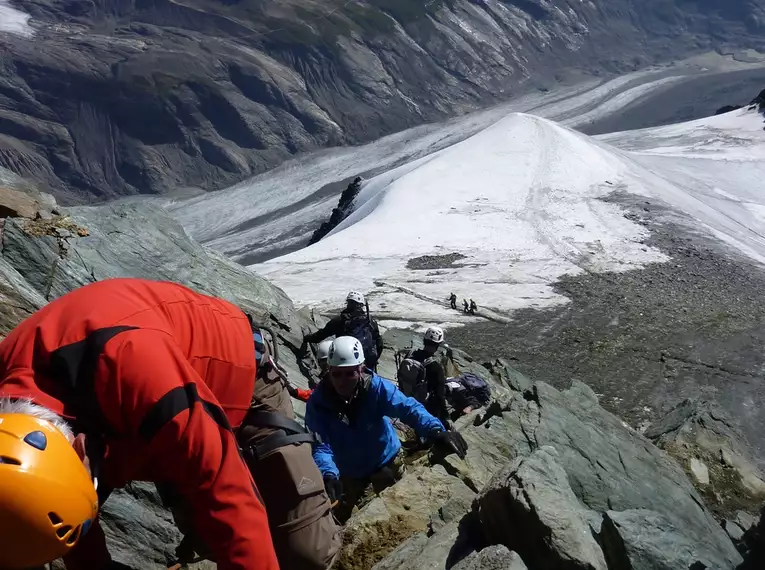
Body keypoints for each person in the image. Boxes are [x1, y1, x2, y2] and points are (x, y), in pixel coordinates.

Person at [0, 278, 279, 570]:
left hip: (240, 369)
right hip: (134, 414)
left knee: (302, 547)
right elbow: (46, 502)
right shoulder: (20, 436)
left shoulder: (140, 370)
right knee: (208, 536)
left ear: (82, 447)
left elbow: (227, 490)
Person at [164, 322, 341, 570]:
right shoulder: (320, 400)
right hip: (230, 379)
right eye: (334, 371)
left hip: (245, 377)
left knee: (310, 552)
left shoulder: (361, 392)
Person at [305, 336, 468, 523]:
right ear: (329, 370)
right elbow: (321, 445)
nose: (343, 381)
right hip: (348, 469)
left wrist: (435, 430)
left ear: (361, 368)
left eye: (350, 374)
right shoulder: (319, 404)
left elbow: (408, 408)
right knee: (340, 515)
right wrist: (328, 474)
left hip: (386, 459)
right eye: (337, 374)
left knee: (404, 510)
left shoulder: (375, 388)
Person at [302, 291, 383, 370]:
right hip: (368, 363)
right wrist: (374, 359)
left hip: (345, 362)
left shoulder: (340, 320)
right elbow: (379, 343)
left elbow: (321, 335)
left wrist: (306, 338)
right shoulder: (370, 321)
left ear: (348, 303)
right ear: (361, 305)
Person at [398, 327, 450, 427]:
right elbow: (440, 396)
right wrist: (447, 417)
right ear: (438, 345)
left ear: (424, 341)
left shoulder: (410, 355)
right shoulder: (435, 366)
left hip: (405, 397)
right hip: (423, 406)